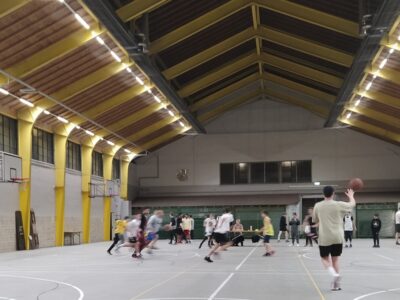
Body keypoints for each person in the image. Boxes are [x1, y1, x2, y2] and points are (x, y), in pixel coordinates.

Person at [313, 186, 356, 291]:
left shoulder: (318, 206)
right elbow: (352, 204)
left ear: (323, 194)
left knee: (324, 258)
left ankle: (333, 275)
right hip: (338, 236)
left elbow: (315, 220)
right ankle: (336, 285)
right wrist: (351, 196)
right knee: (335, 259)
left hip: (325, 237)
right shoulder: (339, 204)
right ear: (333, 194)